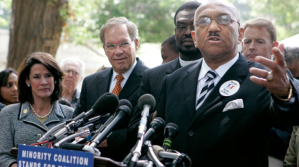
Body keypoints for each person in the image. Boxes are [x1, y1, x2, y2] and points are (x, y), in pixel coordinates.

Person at [156, 1, 299, 167]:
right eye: (203, 21)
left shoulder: (264, 77)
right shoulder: (172, 80)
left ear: (240, 34)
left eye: (224, 20)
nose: (213, 27)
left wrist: (285, 93)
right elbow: (161, 138)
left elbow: (291, 116)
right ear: (195, 38)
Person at [73, 17, 148, 161]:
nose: (118, 51)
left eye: (124, 44)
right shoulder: (91, 82)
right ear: (104, 49)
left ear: (136, 43)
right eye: (111, 46)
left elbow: (148, 129)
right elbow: (78, 123)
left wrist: (107, 139)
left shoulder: (152, 80)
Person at [128, 1, 202, 139]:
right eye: (181, 27)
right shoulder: (153, 76)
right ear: (175, 31)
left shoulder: (217, 72)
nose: (187, 32)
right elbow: (133, 129)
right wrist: (155, 119)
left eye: (194, 26)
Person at [0, 52, 74, 167]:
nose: (43, 82)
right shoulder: (9, 114)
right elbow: (2, 157)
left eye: (48, 75)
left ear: (55, 78)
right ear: (27, 81)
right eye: (36, 77)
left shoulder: (71, 115)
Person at [242, 17, 292, 164]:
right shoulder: (226, 76)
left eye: (259, 41)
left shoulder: (285, 81)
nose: (251, 46)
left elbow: (290, 135)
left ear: (274, 46)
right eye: (247, 41)